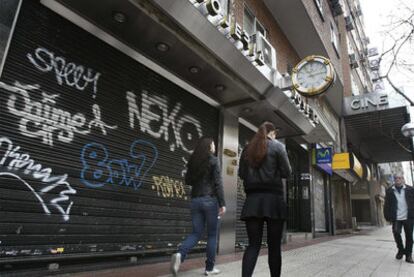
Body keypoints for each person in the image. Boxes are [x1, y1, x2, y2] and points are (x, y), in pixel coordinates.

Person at [238, 121, 292, 277]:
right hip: (274, 201)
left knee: (253, 245)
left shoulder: (247, 149)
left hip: (253, 201)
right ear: (272, 133)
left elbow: (242, 174)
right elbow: (287, 172)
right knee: (274, 247)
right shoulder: (278, 146)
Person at [170, 137, 226, 276]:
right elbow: (218, 183)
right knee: (212, 235)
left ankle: (180, 254)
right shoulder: (213, 160)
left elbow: (188, 180)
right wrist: (222, 203)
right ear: (209, 147)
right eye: (213, 144)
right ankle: (209, 268)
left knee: (196, 233)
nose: (214, 146)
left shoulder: (193, 161)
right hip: (210, 200)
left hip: (195, 200)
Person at [384, 173, 414, 263]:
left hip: (408, 217)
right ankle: (401, 250)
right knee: (396, 233)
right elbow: (386, 205)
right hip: (396, 217)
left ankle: (408, 255)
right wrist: (387, 216)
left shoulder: (410, 189)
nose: (398, 179)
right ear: (394, 179)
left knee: (409, 237)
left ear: (403, 179)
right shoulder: (389, 191)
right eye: (396, 178)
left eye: (400, 178)